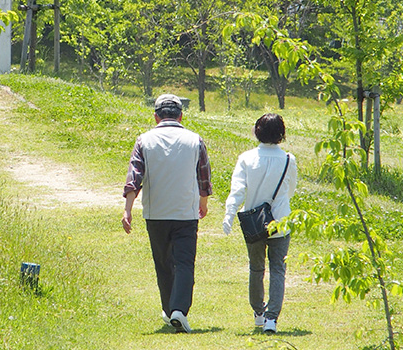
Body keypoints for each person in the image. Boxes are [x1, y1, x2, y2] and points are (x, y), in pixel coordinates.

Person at [122, 94, 212, 334]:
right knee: (184, 263)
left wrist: (127, 210)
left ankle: (170, 308)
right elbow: (204, 176)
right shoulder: (195, 140)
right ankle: (178, 310)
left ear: (155, 116)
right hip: (185, 212)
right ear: (181, 116)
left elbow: (134, 178)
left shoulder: (144, 140)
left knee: (163, 263)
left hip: (156, 213)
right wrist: (203, 202)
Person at [222, 113, 298, 333]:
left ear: (257, 131)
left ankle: (258, 313)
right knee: (278, 269)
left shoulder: (246, 158)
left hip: (254, 223)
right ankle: (272, 319)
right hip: (281, 221)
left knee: (256, 268)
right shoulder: (288, 159)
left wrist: (229, 213)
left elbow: (237, 190)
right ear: (281, 134)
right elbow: (290, 190)